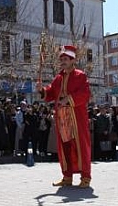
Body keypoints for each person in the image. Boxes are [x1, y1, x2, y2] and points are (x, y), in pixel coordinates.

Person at [37, 45, 92, 188]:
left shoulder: (80, 76)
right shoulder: (58, 78)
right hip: (62, 119)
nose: (62, 61)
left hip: (76, 118)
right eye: (61, 59)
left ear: (72, 60)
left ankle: (85, 177)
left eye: (65, 59)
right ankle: (67, 176)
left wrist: (68, 99)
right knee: (65, 147)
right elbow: (50, 94)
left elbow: (85, 95)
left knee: (80, 146)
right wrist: (42, 90)